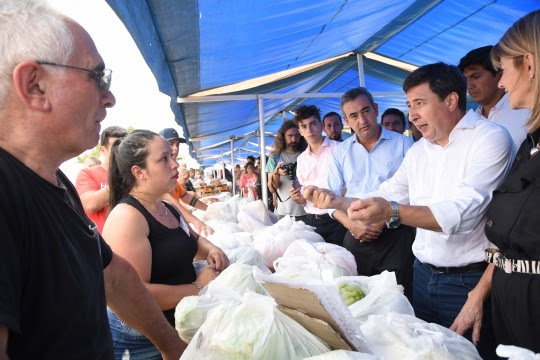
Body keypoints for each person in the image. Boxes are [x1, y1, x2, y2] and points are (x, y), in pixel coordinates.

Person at [0, 2, 183, 358]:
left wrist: (173, 347)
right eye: (97, 76)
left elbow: (114, 276)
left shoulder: (54, 182)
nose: (109, 97)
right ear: (35, 86)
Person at [311, 63, 512, 359]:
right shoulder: (419, 151)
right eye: (410, 106)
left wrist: (392, 213)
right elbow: (388, 192)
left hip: (467, 282)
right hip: (421, 275)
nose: (413, 115)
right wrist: (337, 202)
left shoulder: (489, 139)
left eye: (419, 104)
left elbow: (465, 211)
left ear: (451, 100)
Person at [103, 130, 228, 359]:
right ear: (139, 172)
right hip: (144, 339)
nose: (175, 165)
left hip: (175, 326)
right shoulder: (128, 217)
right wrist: (198, 288)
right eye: (164, 159)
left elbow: (194, 240)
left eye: (173, 157)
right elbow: (135, 294)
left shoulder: (167, 208)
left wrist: (213, 250)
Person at [304, 88, 415, 298]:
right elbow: (331, 200)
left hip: (396, 235)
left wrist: (382, 218)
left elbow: (412, 190)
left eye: (366, 111)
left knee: (398, 300)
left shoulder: (403, 144)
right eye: (354, 116)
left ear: (375, 109)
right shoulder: (341, 152)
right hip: (356, 236)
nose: (362, 120)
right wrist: (351, 224)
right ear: (346, 120)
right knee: (358, 300)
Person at [477, 11, 540, 353]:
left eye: (504, 70)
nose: (500, 83)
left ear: (528, 64)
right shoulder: (530, 143)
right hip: (510, 310)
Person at [289, 105, 346, 245]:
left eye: (313, 124)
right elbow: (304, 196)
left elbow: (351, 185)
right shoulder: (301, 159)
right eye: (304, 126)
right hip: (311, 220)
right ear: (300, 131)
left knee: (340, 263)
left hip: (339, 219)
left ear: (321, 126)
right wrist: (298, 198)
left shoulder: (339, 149)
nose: (309, 130)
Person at [459, 45, 530, 153]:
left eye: (475, 76)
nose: (469, 85)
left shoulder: (526, 112)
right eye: (466, 79)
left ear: (500, 75)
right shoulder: (470, 121)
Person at [159, 127, 213, 235]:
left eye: (177, 144)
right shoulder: (160, 172)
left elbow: (187, 197)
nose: (176, 148)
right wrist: (196, 221)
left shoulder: (172, 174)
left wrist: (210, 210)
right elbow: (170, 200)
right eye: (171, 143)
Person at [76, 125, 128, 233]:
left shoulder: (133, 173)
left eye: (125, 147)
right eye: (116, 147)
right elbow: (90, 204)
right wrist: (122, 177)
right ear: (103, 150)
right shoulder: (87, 173)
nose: (122, 151)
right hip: (102, 242)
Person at [266, 120, 307, 219]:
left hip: (306, 209)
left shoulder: (306, 154)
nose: (294, 139)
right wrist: (277, 173)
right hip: (284, 211)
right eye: (290, 136)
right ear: (283, 137)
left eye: (297, 135)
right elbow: (272, 188)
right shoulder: (275, 158)